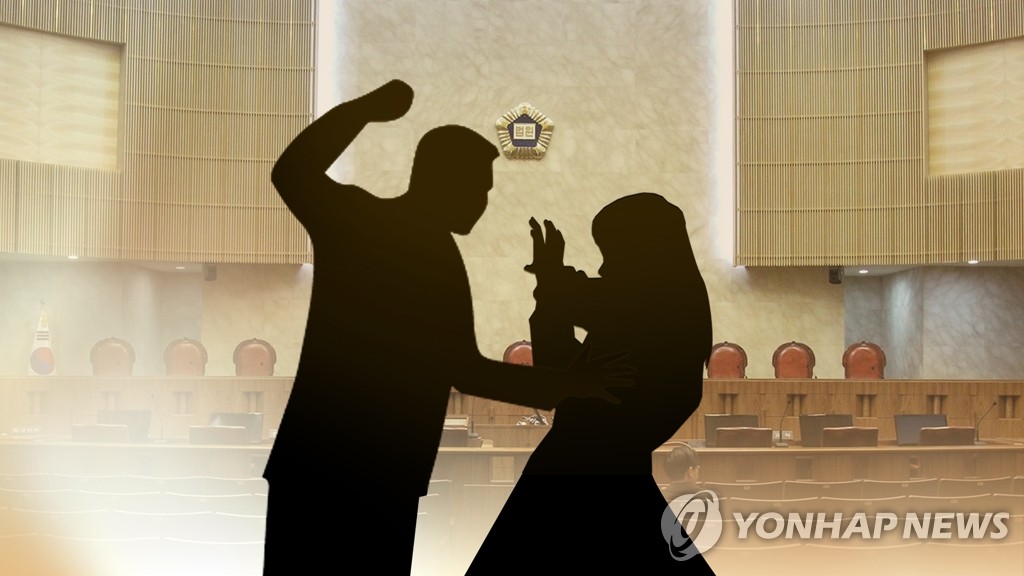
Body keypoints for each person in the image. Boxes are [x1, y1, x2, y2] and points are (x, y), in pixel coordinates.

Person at [263, 79, 629, 575]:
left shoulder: (357, 219)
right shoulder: (429, 254)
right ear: (444, 181)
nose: (482, 203)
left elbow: (292, 171)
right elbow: (466, 370)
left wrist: (364, 111)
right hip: (380, 464)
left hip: (320, 458)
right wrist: (568, 384)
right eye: (479, 189)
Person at [467, 193, 718, 573]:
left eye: (611, 253)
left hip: (581, 461)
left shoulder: (657, 302)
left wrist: (550, 276)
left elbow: (577, 301)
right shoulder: (673, 304)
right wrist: (551, 281)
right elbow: (562, 363)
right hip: (599, 459)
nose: (602, 265)